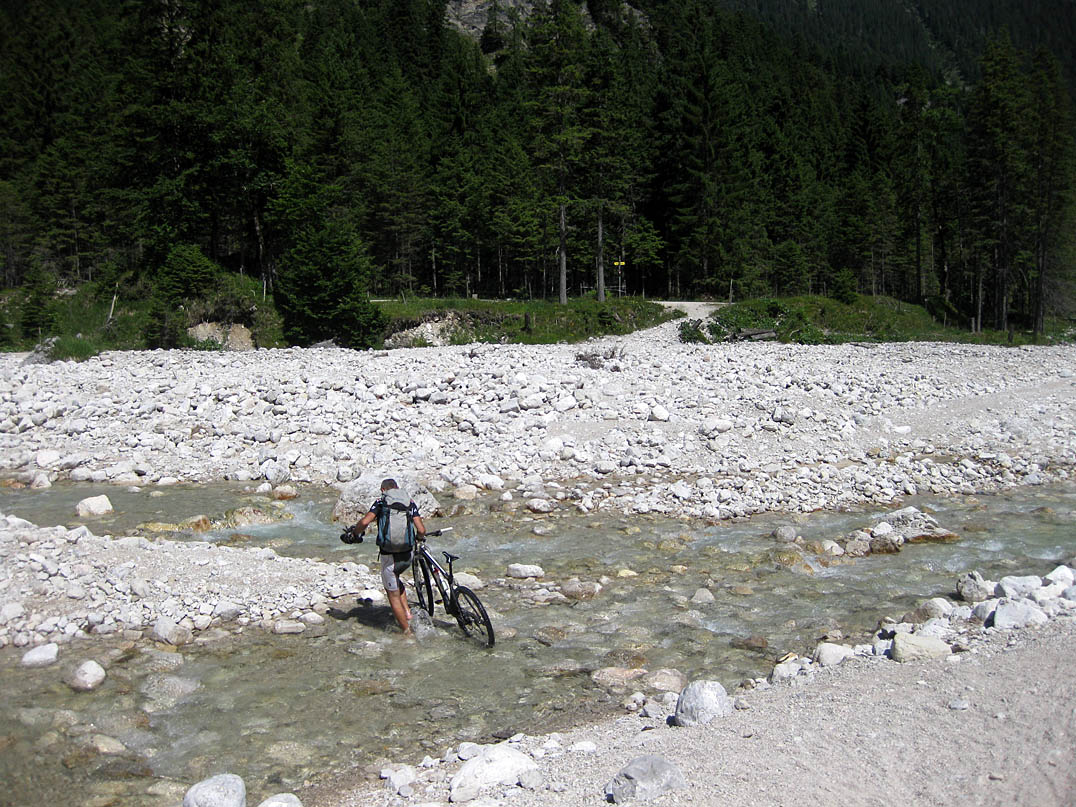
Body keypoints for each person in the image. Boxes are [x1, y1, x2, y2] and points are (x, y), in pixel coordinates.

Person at [341, 478, 425, 636]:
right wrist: (418, 539)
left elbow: (365, 522)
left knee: (392, 593)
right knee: (396, 578)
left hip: (389, 555)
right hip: (408, 553)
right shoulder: (409, 501)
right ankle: (407, 613)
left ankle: (407, 633)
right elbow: (421, 529)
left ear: (383, 490)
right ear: (397, 488)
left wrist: (354, 534)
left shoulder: (381, 502)